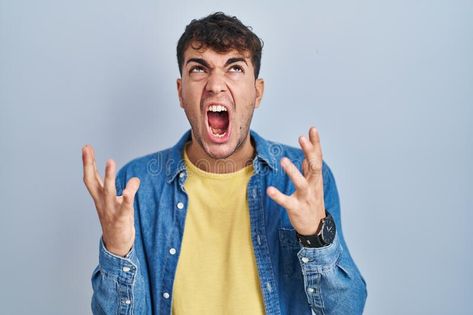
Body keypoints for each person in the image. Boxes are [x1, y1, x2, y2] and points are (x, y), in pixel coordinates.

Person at [82, 12, 367, 315]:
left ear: (257, 92)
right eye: (199, 69)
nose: (215, 85)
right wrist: (116, 252)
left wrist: (315, 237)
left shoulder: (300, 180)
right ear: (180, 92)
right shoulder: (137, 186)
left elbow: (346, 309)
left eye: (234, 67)